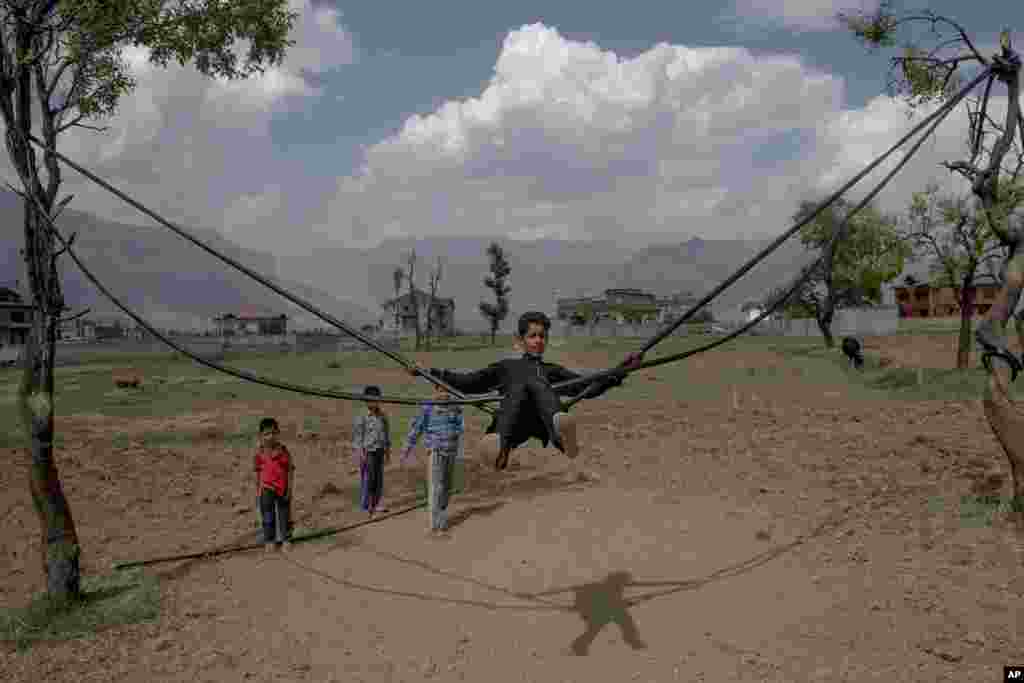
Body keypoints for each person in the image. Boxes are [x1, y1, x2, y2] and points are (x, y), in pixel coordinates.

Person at [408, 311, 643, 471]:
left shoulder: (552, 370)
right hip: (514, 420)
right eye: (533, 336)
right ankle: (501, 447)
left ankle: (559, 432)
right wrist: (428, 373)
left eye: (542, 336)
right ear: (520, 340)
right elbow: (468, 382)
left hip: (541, 418)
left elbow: (587, 386)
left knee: (537, 383)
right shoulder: (506, 368)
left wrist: (621, 370)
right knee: (525, 384)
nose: (539, 340)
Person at [400, 382, 464, 536]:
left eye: (447, 390)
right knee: (437, 486)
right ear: (436, 390)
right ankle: (435, 525)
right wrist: (407, 448)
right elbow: (417, 428)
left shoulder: (455, 406)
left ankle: (441, 517)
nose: (444, 393)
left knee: (448, 487)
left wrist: (455, 432)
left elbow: (459, 426)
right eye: (441, 390)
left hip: (451, 451)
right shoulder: (427, 407)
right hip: (436, 450)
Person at [253, 417, 294, 553]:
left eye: (273, 433)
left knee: (284, 515)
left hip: (282, 488)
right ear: (260, 436)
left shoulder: (283, 451)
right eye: (266, 434)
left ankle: (286, 539)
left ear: (278, 433)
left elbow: (289, 470)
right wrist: (258, 490)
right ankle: (269, 540)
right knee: (268, 516)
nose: (270, 437)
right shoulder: (259, 453)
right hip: (266, 489)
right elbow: (258, 472)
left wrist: (289, 488)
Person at [352, 385, 392, 516]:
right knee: (368, 479)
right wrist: (360, 454)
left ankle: (376, 504)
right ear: (365, 400)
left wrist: (387, 452)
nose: (373, 403)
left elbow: (386, 435)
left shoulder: (383, 416)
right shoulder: (362, 417)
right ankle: (365, 506)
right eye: (370, 400)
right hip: (367, 452)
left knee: (378, 479)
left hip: (380, 450)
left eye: (376, 400)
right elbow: (358, 437)